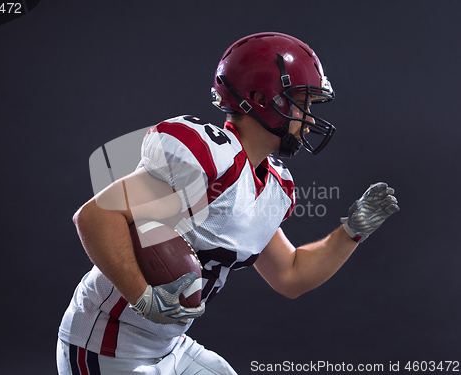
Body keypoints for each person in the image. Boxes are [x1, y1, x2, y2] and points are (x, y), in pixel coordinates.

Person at [57, 32, 399, 374]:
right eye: (302, 103)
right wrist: (142, 296)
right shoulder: (210, 159)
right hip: (105, 344)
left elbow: (290, 275)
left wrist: (352, 232)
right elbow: (96, 215)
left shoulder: (272, 184)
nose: (309, 119)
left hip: (167, 347)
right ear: (263, 98)